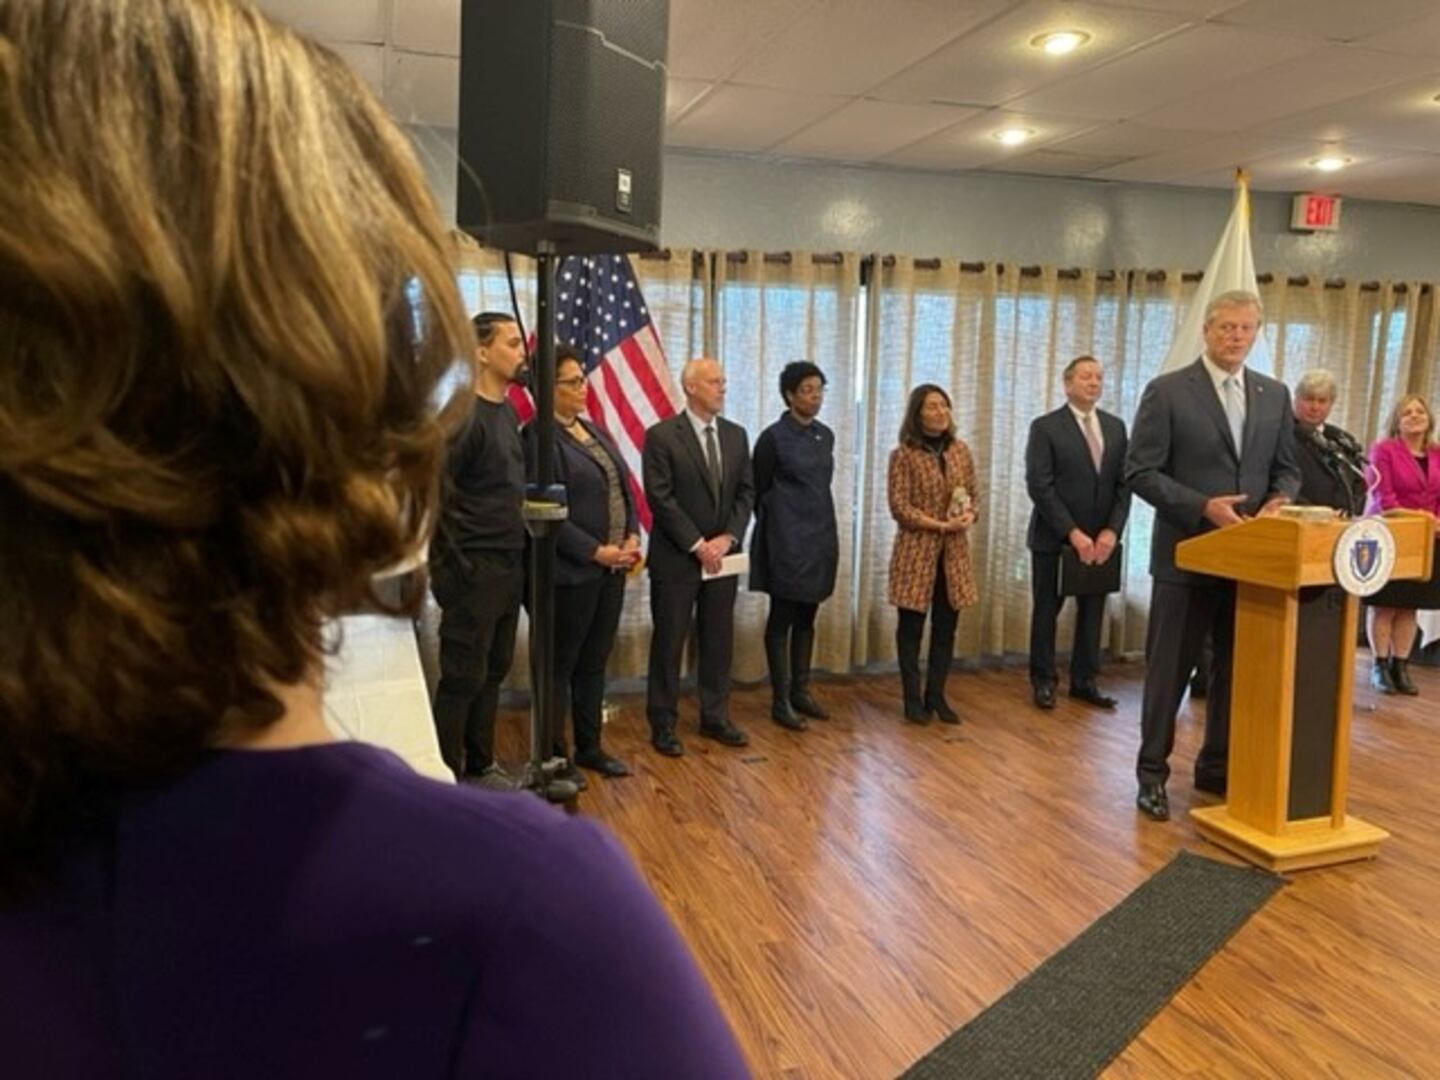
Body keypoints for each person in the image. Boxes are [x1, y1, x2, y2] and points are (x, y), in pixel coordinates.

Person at [0, 4, 750, 1076]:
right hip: (487, 582)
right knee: (474, 681)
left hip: (553, 575)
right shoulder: (523, 917)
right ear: (358, 413)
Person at [1125, 290, 1301, 822]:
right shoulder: (1168, 392)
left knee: (1235, 671)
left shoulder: (1274, 394)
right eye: (1227, 327)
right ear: (1206, 330)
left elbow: (1287, 469)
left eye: (1246, 328)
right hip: (1187, 557)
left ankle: (1217, 767)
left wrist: (1279, 500)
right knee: (1170, 674)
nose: (1236, 337)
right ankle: (1152, 775)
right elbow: (1139, 471)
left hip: (1250, 562)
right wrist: (1203, 506)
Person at [526, 346, 641, 778]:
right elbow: (543, 512)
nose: (583, 387)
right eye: (573, 381)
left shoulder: (593, 430)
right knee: (561, 667)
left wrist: (631, 533)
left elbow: (623, 487)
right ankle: (554, 756)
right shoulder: (537, 439)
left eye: (583, 379)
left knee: (595, 661)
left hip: (611, 569)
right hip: (571, 574)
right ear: (546, 387)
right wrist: (594, 551)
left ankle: (590, 746)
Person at [429, 311, 529, 789]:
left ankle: (481, 763)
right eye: (512, 343)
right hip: (471, 566)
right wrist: (453, 568)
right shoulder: (460, 416)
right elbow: (432, 495)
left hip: (508, 560)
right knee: (463, 675)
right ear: (481, 352)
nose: (522, 353)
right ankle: (446, 777)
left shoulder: (507, 413)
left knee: (493, 669)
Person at [643, 358, 756, 756]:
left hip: (722, 559)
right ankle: (663, 723)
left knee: (718, 640)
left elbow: (746, 493)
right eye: (714, 381)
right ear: (690, 387)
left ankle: (715, 716)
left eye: (724, 381)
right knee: (669, 643)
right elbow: (661, 497)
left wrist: (729, 537)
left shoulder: (736, 435)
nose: (722, 387)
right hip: (677, 558)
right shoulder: (661, 436)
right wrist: (697, 544)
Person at [1024, 356, 1131, 711]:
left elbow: (1124, 484)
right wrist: (1072, 532)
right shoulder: (1046, 427)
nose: (1094, 383)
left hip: (1102, 539)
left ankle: (1085, 681)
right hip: (1055, 538)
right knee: (1046, 610)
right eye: (1086, 377)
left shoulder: (1115, 428)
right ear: (1067, 383)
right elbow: (1039, 485)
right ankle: (1043, 680)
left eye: (1099, 377)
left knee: (1092, 611)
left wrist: (1112, 531)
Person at [750, 361, 839, 731]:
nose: (815, 397)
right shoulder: (772, 438)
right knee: (782, 617)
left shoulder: (825, 435)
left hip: (819, 536)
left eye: (819, 389)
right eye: (807, 390)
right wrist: (781, 526)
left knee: (808, 615)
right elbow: (759, 491)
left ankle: (802, 690)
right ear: (789, 395)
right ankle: (780, 699)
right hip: (785, 539)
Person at [887, 385, 981, 724]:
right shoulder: (903, 455)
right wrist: (939, 525)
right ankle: (912, 699)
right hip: (916, 552)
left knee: (946, 627)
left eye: (944, 405)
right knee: (911, 629)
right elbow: (899, 507)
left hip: (953, 554)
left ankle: (936, 695)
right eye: (932, 406)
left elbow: (974, 495)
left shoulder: (960, 451)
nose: (940, 412)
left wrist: (969, 515)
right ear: (917, 414)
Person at [1363, 394, 1440, 696]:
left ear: (1429, 419)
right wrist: (1424, 518)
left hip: (1427, 540)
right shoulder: (1384, 450)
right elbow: (1384, 498)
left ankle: (1401, 665)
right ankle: (1380, 665)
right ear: (1397, 420)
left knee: (1410, 606)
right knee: (1385, 604)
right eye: (1407, 412)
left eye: (1420, 411)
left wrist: (1435, 522)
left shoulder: (1437, 453)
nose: (1414, 416)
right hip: (1390, 535)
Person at [1292, 369, 1367, 516]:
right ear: (1296, 400)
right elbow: (1282, 484)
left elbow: (1358, 484)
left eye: (1322, 401)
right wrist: (1320, 514)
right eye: (1309, 399)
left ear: (1331, 404)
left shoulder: (1343, 439)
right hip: (1301, 520)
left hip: (1343, 521)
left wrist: (1349, 512)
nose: (1315, 407)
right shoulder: (1280, 436)